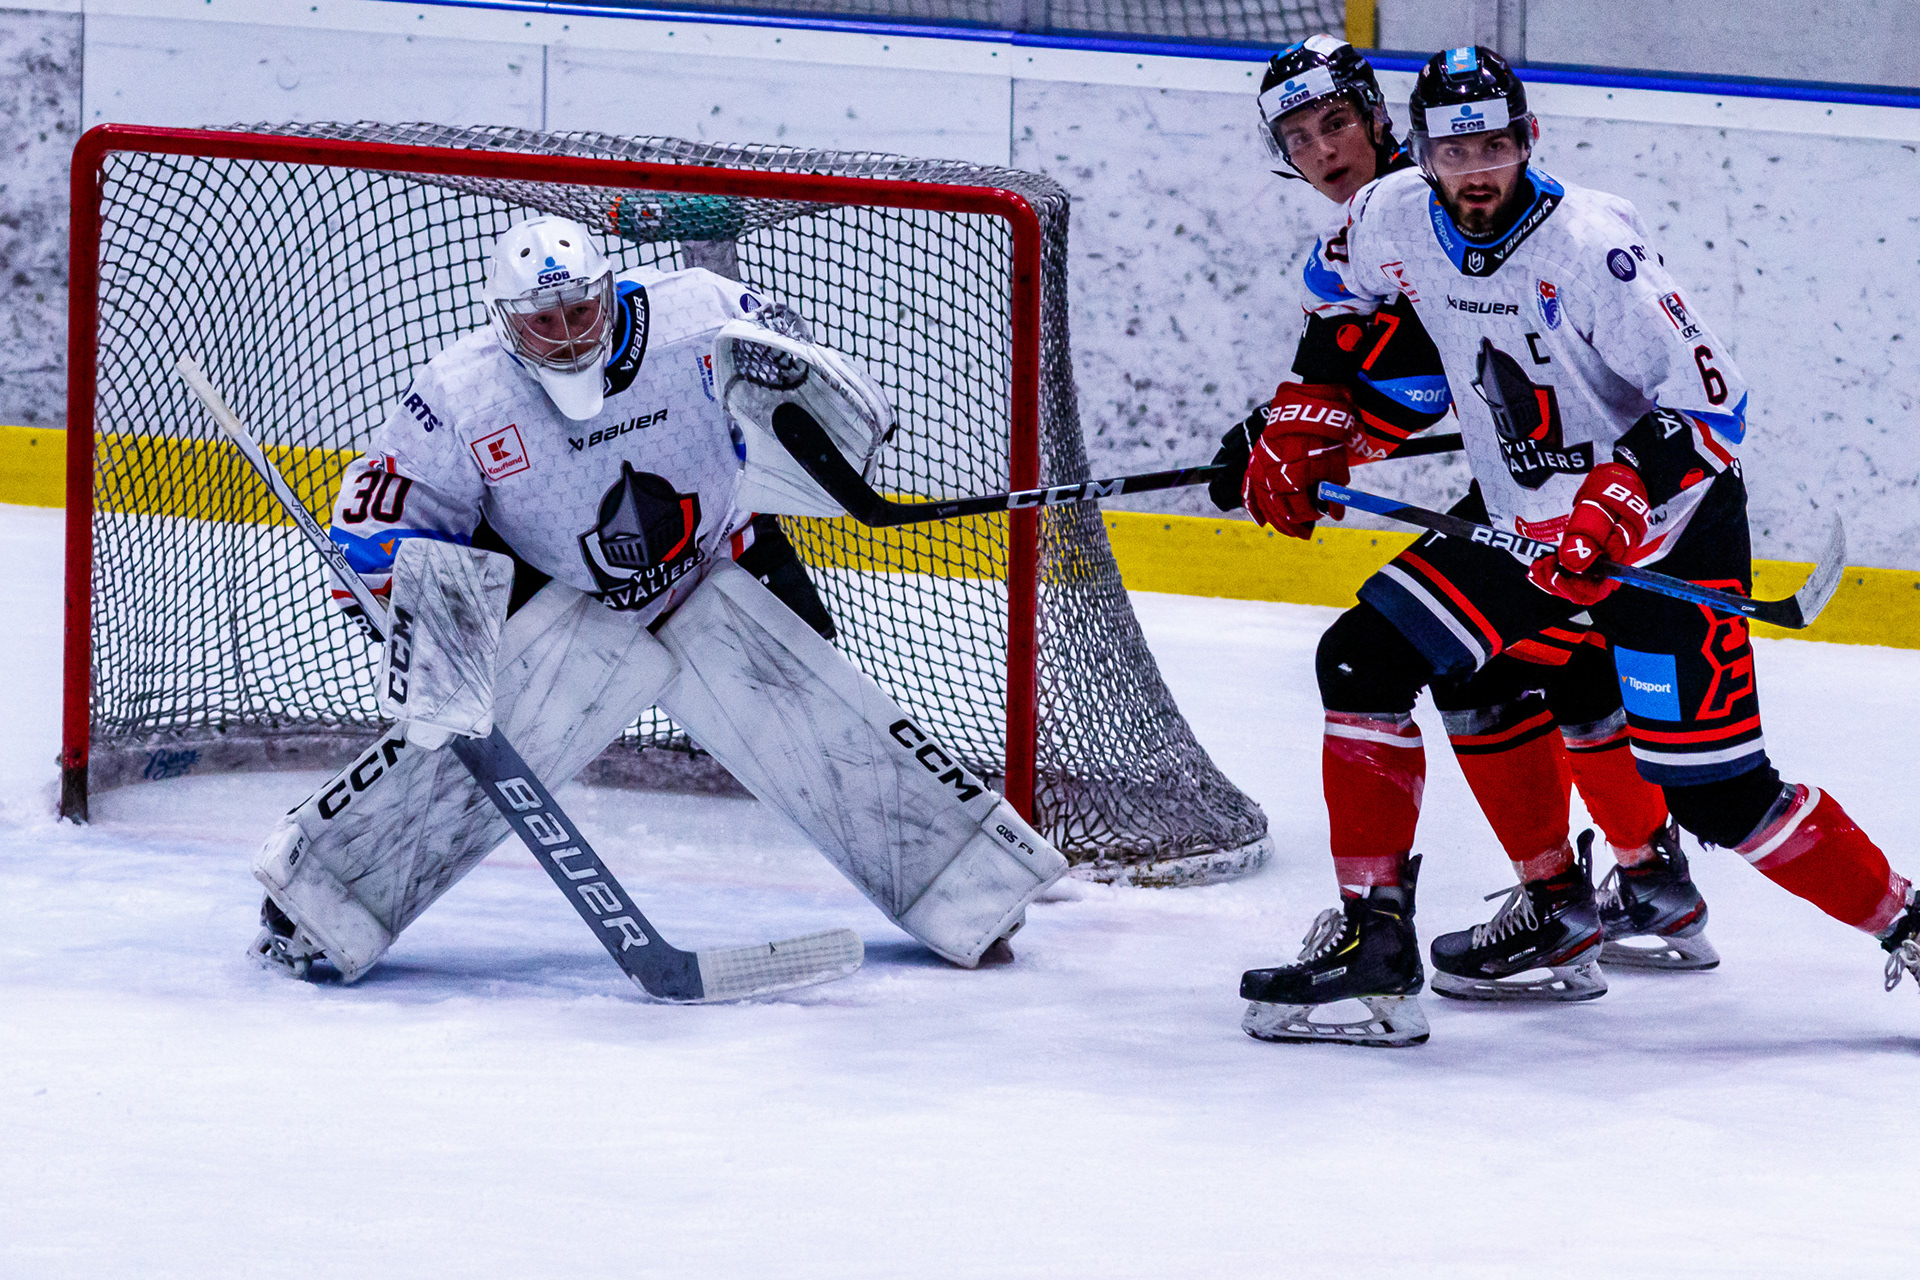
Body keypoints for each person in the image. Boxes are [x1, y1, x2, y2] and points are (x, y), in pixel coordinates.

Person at [1234, 45, 1920, 1047]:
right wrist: (1308, 413)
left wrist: (1615, 499)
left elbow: (1714, 409)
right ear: (1420, 152)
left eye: (1494, 146)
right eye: (1454, 151)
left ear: (1529, 140)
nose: (1476, 171)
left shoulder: (1594, 248)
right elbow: (1335, 297)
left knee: (1721, 794)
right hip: (1525, 525)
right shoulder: (1386, 216)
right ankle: (1375, 940)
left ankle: (1906, 920)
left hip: (1666, 531)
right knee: (1364, 656)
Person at [249, 213, 1067, 985]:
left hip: (721, 558)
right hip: (565, 604)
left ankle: (974, 892)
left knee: (831, 727)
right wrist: (439, 660)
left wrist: (829, 449)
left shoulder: (702, 315)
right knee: (466, 746)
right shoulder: (463, 395)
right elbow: (379, 530)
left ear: (609, 292)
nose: (569, 335)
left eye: (581, 311)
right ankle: (319, 904)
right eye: (544, 321)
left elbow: (807, 392)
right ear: (505, 321)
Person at [1214, 38, 1715, 1037]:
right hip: (1561, 492)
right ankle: (1639, 879)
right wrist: (1287, 423)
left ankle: (1405, 934)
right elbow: (1350, 334)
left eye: (1335, 123)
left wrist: (1312, 432)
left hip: (1604, 498)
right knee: (1527, 667)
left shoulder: (1430, 202)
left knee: (1382, 656)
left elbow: (1412, 380)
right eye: (1298, 138)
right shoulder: (1390, 214)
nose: (1323, 150)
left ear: (1379, 116)